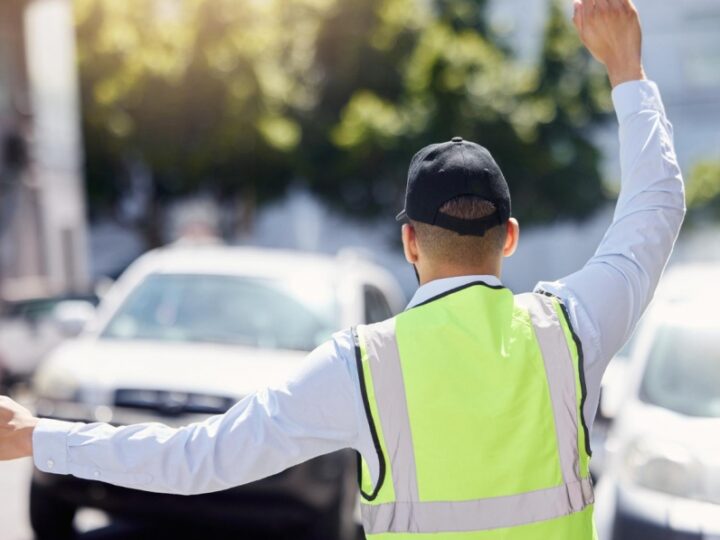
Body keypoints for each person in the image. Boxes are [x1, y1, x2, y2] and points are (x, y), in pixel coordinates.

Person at [0, 0, 685, 537]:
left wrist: (40, 436)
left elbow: (196, 459)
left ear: (410, 243)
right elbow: (657, 206)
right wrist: (626, 67)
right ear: (508, 236)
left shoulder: (362, 365)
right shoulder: (570, 329)